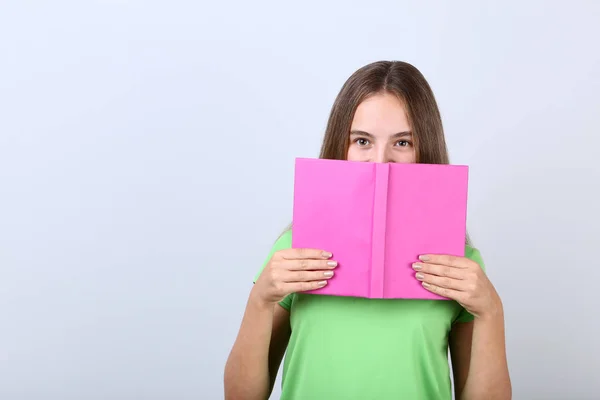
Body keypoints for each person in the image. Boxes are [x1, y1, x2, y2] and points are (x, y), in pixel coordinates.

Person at [224, 61, 511, 400]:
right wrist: (259, 300)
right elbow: (241, 396)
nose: (380, 161)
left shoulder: (459, 262)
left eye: (402, 143)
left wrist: (491, 310)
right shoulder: (295, 247)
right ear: (340, 148)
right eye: (362, 140)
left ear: (425, 150)